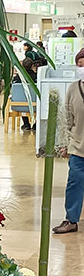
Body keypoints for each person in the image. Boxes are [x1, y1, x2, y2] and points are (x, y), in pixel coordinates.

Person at [53, 55, 84, 234]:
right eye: (79, 65)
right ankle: (71, 220)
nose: (82, 68)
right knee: (74, 182)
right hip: (78, 146)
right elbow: (67, 119)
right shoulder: (73, 89)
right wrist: (64, 144)